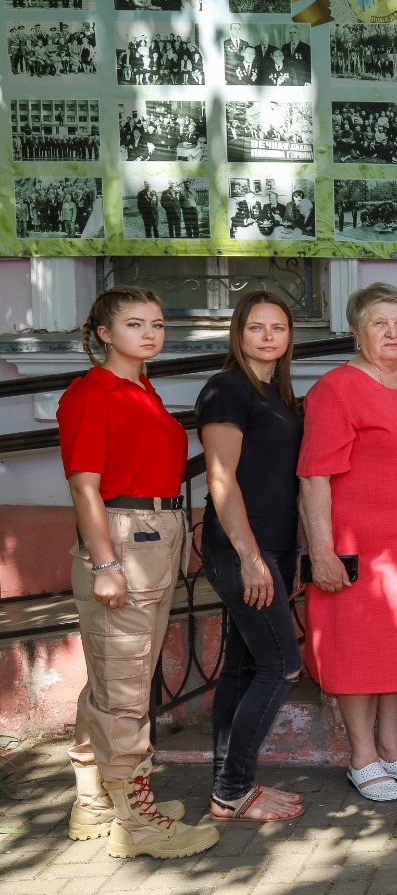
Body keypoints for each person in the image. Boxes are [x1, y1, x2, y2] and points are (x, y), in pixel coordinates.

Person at [58, 286, 219, 859]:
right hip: (122, 540)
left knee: (116, 677)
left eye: (156, 323)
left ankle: (95, 800)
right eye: (134, 324)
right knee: (125, 690)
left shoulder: (141, 388)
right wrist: (104, 563)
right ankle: (138, 822)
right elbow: (84, 485)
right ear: (104, 332)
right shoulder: (90, 393)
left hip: (155, 534)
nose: (150, 333)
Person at [298, 284, 397, 802]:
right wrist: (321, 551)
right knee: (359, 654)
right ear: (357, 330)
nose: (391, 332)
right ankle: (361, 758)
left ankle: (394, 752)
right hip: (361, 549)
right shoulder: (336, 389)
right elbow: (314, 477)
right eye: (378, 323)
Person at [195, 292, 306, 824]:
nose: (267, 336)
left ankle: (227, 786)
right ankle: (234, 789)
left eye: (278, 327)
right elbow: (222, 480)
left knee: (241, 668)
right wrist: (250, 557)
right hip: (243, 550)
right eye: (256, 327)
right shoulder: (226, 390)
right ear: (238, 334)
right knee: (283, 665)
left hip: (275, 547)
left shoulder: (278, 394)